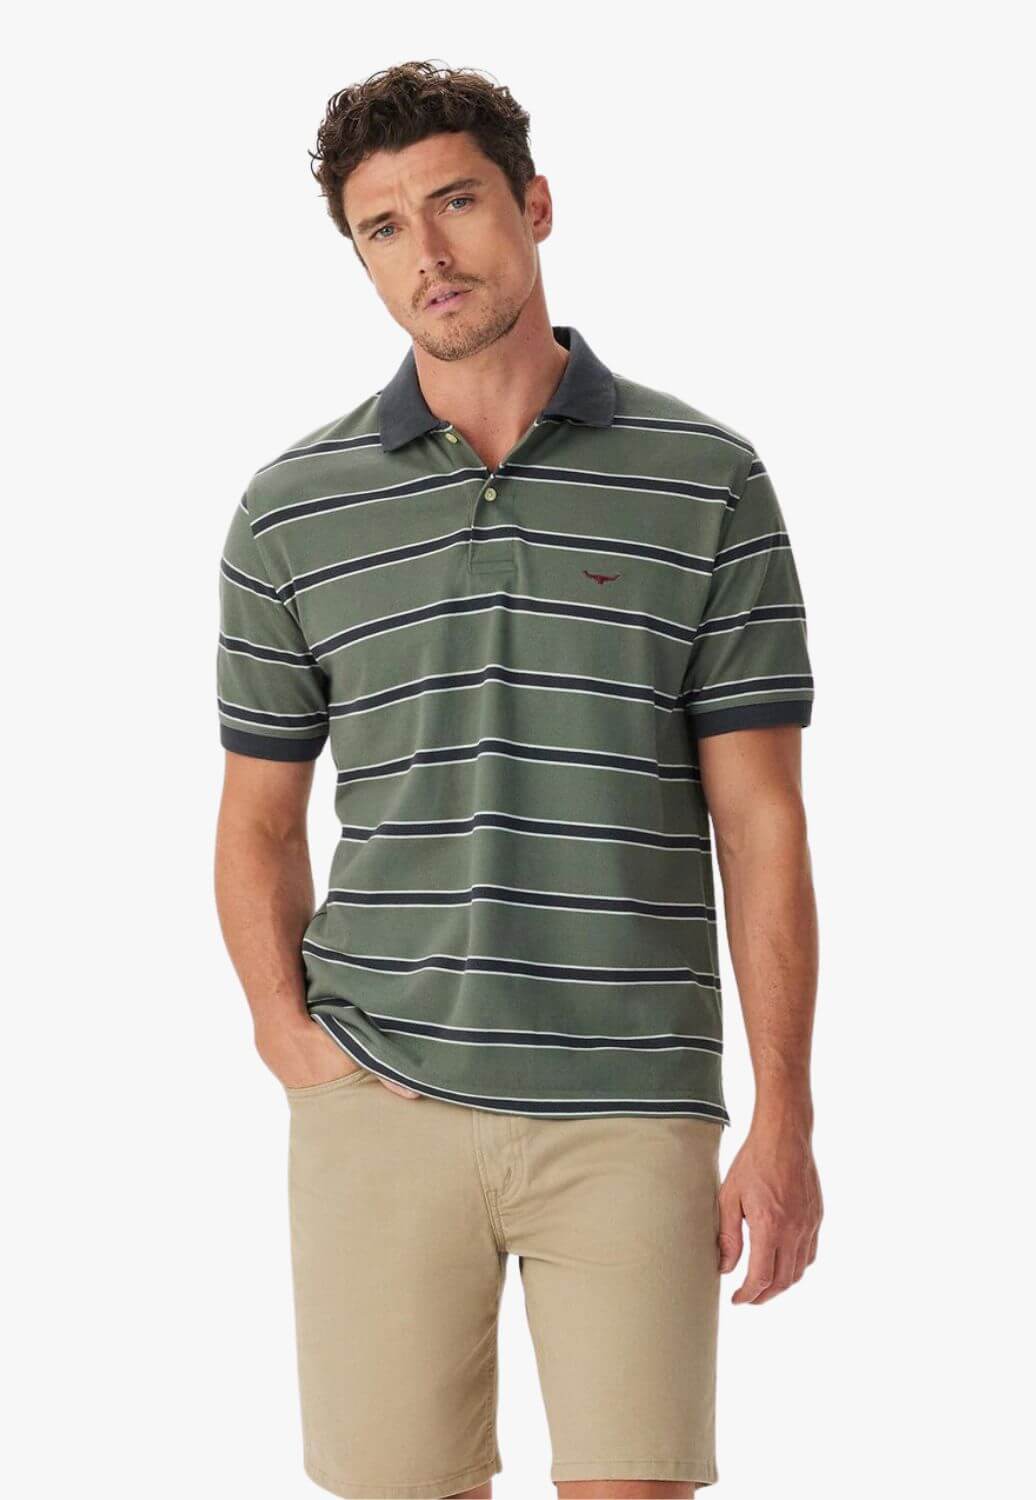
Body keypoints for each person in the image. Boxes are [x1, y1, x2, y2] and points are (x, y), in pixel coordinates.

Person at [214, 59, 823, 1500]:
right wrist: (288, 1040)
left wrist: (785, 1115)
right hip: (378, 1095)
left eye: (458, 202)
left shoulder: (705, 480)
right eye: (382, 227)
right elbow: (257, 820)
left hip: (632, 1100)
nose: (427, 253)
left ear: (534, 206)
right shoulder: (291, 513)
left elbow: (763, 821)